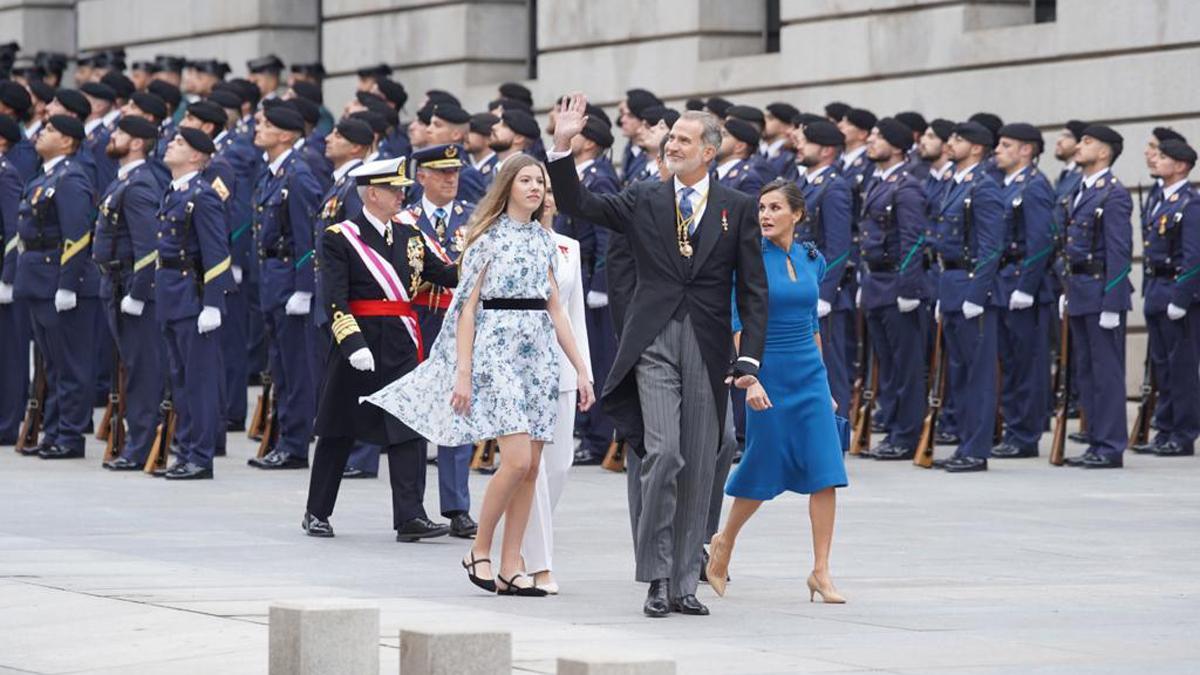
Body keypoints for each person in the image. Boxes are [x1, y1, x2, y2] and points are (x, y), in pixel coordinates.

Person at [547, 95, 768, 618]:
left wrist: (750, 360)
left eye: (684, 141)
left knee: (697, 463)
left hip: (709, 345)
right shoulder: (643, 196)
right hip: (651, 340)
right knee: (663, 452)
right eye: (671, 139)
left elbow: (755, 291)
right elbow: (580, 204)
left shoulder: (736, 206)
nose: (672, 145)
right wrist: (561, 145)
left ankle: (685, 580)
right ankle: (656, 574)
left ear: (709, 152)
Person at [364, 154, 594, 595]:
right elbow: (466, 308)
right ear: (507, 185)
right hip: (498, 350)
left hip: (541, 354)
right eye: (526, 180)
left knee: (532, 470)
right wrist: (464, 373)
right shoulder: (485, 237)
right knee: (517, 460)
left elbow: (555, 308)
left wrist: (581, 368)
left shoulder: (546, 241)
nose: (535, 189)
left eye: (540, 183)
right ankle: (480, 549)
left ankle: (512, 564)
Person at [302, 157, 459, 541]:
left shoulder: (410, 235)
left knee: (408, 429)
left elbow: (447, 274)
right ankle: (317, 511)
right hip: (359, 342)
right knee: (338, 430)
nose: (402, 195)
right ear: (373, 193)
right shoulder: (340, 236)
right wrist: (352, 342)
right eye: (394, 190)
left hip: (403, 341)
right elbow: (334, 297)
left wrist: (484, 253)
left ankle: (410, 516)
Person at [706, 179, 847, 601]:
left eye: (774, 208)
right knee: (763, 465)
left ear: (797, 214)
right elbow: (737, 322)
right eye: (761, 208)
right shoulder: (748, 258)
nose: (765, 215)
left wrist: (825, 382)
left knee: (826, 471)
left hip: (809, 374)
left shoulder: (811, 258)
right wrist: (751, 378)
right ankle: (724, 541)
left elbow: (811, 321)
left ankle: (821, 571)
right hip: (767, 368)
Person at [393, 142, 480, 536]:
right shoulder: (404, 220)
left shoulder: (473, 218)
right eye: (442, 172)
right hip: (417, 319)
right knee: (414, 409)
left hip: (458, 320)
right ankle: (411, 507)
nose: (451, 179)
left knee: (456, 409)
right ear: (421, 176)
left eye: (455, 172)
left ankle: (457, 506)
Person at [12, 114, 97, 460]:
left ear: (67, 141)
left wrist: (68, 284)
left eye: (50, 130)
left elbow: (77, 236)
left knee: (71, 363)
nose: (41, 134)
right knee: (53, 362)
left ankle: (70, 436)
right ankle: (56, 429)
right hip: (37, 280)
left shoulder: (71, 178)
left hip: (58, 283)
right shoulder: (44, 177)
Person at [521, 182, 592, 594]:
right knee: (532, 467)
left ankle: (525, 529)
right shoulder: (503, 239)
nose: (544, 195)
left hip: (564, 367)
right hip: (522, 365)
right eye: (531, 185)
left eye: (548, 188)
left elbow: (574, 312)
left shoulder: (569, 246)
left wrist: (585, 372)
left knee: (559, 466)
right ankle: (539, 560)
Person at [155, 127, 235, 479]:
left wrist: (213, 303)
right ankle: (185, 450)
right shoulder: (175, 192)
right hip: (172, 296)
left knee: (199, 382)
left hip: (193, 298)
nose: (171, 144)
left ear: (197, 157)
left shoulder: (202, 196)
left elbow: (217, 252)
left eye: (180, 143)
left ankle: (200, 457)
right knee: (181, 380)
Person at [927, 122, 1005, 473]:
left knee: (978, 375)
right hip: (952, 283)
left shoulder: (984, 187)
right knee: (959, 373)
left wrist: (978, 292)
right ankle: (964, 443)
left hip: (972, 286)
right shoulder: (955, 185)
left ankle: (976, 449)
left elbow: (991, 246)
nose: (950, 144)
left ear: (976, 149)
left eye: (958, 140)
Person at [249, 104, 321, 470]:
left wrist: (304, 288)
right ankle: (284, 439)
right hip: (273, 283)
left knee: (295, 370)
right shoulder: (272, 174)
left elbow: (309, 236)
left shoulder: (297, 176)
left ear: (287, 135)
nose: (258, 129)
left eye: (266, 125)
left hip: (290, 285)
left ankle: (294, 445)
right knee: (280, 367)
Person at [93, 116, 168, 470]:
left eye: (121, 133)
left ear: (137, 143)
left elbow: (148, 247)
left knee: (142, 370)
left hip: (131, 288)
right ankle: (135, 440)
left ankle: (140, 447)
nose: (113, 136)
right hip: (115, 283)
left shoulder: (139, 185)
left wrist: (139, 292)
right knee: (130, 366)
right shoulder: (124, 181)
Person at [856, 118, 929, 460]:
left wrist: (909, 288)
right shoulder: (878, 182)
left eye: (878, 138)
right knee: (886, 365)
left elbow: (913, 241)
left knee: (906, 366)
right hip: (875, 284)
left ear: (897, 147)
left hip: (896, 284)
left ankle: (906, 434)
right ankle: (894, 428)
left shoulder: (906, 186)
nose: (871, 142)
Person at [1060, 125, 1133, 469]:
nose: (1079, 146)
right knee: (1087, 373)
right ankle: (1095, 440)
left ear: (1104, 153)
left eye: (1087, 142)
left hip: (1101, 292)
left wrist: (1113, 302)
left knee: (1106, 373)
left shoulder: (1113, 194)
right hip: (1079, 291)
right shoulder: (1080, 189)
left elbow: (1120, 253)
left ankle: (1110, 445)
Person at [991, 123, 1055, 459]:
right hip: (1004, 283)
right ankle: (1014, 429)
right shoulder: (1007, 185)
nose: (997, 150)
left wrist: (1027, 287)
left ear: (1026, 150)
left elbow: (1041, 241)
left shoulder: (1033, 187)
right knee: (1011, 363)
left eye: (1006, 145)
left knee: (1027, 364)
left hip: (1023, 285)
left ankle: (1025, 435)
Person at [1137, 139, 1200, 457]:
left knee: (1182, 367)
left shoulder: (1191, 203)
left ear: (1181, 166)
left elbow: (1194, 257)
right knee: (1161, 365)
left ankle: (1184, 433)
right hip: (1157, 289)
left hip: (1178, 292)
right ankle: (1165, 429)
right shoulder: (1159, 200)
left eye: (1163, 157)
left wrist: (1182, 297)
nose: (1155, 160)